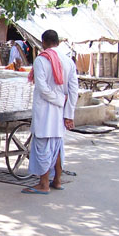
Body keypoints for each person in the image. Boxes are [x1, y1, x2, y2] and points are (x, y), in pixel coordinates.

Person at [21, 30, 78, 195]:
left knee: (42, 147)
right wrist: (69, 113)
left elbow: (42, 88)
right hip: (60, 112)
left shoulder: (41, 60)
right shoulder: (68, 61)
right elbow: (73, 90)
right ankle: (57, 181)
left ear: (43, 42)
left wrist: (58, 100)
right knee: (57, 147)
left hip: (46, 110)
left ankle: (44, 184)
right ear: (58, 42)